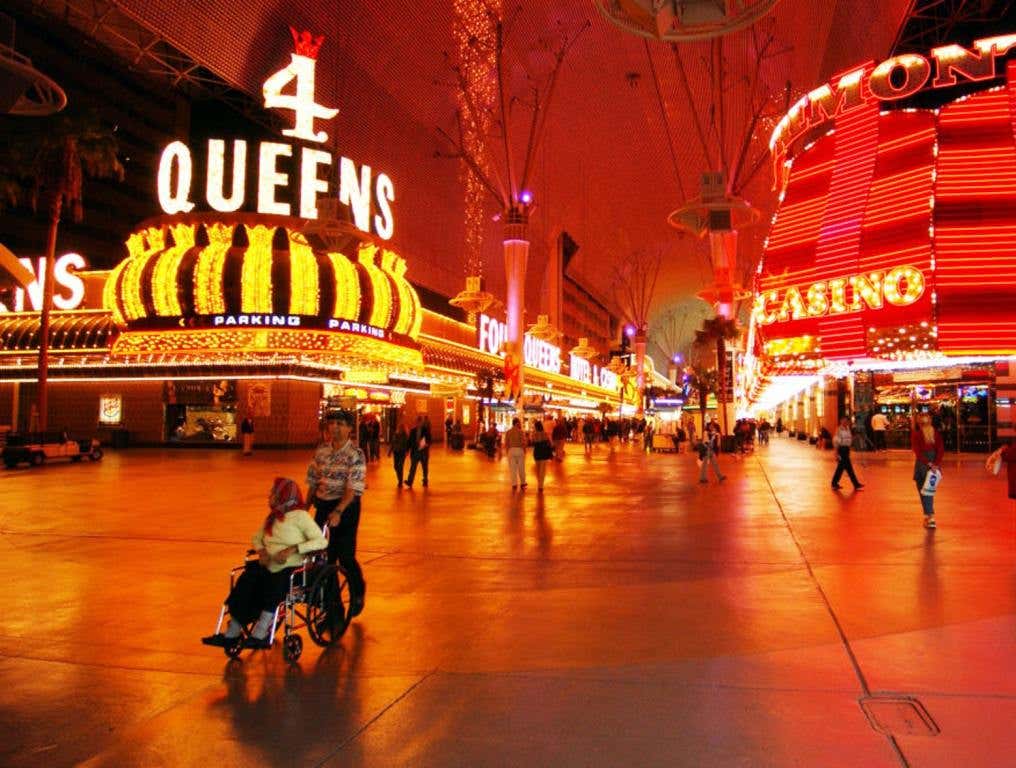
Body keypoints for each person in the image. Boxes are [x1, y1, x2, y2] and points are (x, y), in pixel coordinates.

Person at [202, 477, 327, 649]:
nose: (269, 496)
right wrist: (262, 552)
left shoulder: (301, 517)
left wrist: (293, 549)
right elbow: (257, 537)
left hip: (291, 568)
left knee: (275, 586)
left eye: (273, 493)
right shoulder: (274, 517)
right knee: (245, 582)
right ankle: (232, 632)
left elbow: (321, 542)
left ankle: (260, 633)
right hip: (269, 565)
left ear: (283, 496)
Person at [307, 410, 368, 617]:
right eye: (331, 423)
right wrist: (304, 508)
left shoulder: (355, 454)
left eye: (340, 424)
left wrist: (339, 511)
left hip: (346, 507)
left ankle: (357, 590)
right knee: (323, 559)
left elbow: (352, 488)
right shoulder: (322, 451)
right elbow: (314, 480)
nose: (335, 427)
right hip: (323, 505)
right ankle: (332, 607)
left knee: (345, 555)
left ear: (350, 428)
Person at [911, 413, 944, 528]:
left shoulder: (917, 435)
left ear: (919, 423)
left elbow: (918, 452)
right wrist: (935, 464)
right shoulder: (936, 434)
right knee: (930, 490)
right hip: (934, 466)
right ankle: (928, 516)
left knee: (923, 491)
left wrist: (928, 463)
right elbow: (940, 450)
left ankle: (930, 516)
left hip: (922, 466)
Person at [831, 417, 864, 491]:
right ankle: (856, 484)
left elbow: (849, 439)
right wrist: (836, 452)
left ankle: (834, 483)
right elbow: (836, 441)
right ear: (841, 421)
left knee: (842, 468)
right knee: (847, 468)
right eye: (843, 421)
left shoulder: (848, 429)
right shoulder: (839, 430)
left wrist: (855, 439)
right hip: (841, 450)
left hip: (846, 449)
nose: (845, 422)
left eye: (846, 421)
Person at [407, 414, 432, 488]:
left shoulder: (426, 430)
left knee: (424, 467)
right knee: (413, 467)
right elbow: (409, 442)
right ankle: (410, 481)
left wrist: (427, 444)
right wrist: (407, 450)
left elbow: (430, 439)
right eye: (416, 421)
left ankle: (425, 480)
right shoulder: (412, 431)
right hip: (415, 452)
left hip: (423, 452)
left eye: (419, 421)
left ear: (421, 422)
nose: (417, 423)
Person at [504, 417, 526, 490]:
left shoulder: (508, 432)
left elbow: (506, 443)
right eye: (519, 422)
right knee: (521, 468)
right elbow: (523, 442)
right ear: (517, 423)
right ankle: (523, 483)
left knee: (512, 468)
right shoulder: (520, 432)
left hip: (511, 450)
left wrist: (508, 451)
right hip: (519, 450)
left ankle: (514, 484)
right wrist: (524, 450)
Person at [531, 421, 553, 491]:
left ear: (536, 427)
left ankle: (539, 483)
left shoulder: (534, 434)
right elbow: (550, 443)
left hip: (537, 452)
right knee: (542, 470)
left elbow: (532, 442)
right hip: (544, 453)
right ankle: (541, 485)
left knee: (538, 469)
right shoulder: (545, 434)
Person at [388, 421, 410, 487]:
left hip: (402, 452)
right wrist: (390, 451)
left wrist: (407, 451)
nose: (400, 428)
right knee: (395, 466)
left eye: (401, 427)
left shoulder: (405, 435)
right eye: (399, 427)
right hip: (396, 452)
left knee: (400, 466)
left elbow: (407, 444)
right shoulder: (395, 434)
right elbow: (392, 443)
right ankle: (399, 479)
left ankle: (400, 481)